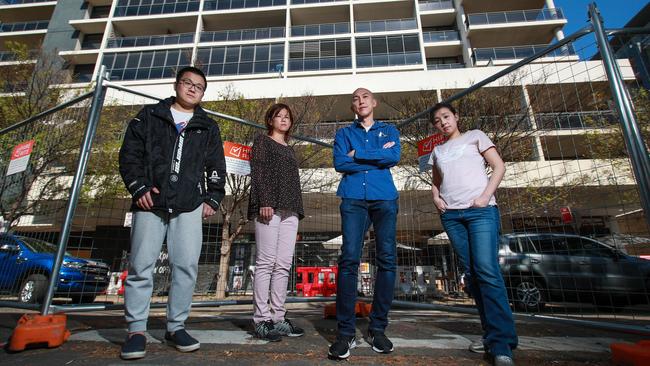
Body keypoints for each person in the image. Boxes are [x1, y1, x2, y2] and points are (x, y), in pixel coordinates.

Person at [118, 66, 226, 360]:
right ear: (177, 85)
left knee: (186, 267)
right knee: (141, 266)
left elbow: (216, 165)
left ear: (203, 93)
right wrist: (138, 188)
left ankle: (175, 326)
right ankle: (136, 330)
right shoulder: (149, 116)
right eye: (188, 83)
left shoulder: (208, 126)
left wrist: (214, 198)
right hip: (150, 203)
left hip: (189, 205)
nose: (192, 89)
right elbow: (129, 155)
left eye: (199, 86)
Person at [428, 102, 517, 366]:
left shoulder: (475, 136)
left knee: (487, 271)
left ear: (456, 117)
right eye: (437, 120)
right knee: (474, 276)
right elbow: (435, 181)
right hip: (452, 216)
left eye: (446, 116)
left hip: (480, 211)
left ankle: (502, 344)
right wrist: (436, 198)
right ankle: (491, 335)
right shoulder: (438, 150)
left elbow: (498, 167)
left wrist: (485, 196)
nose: (442, 122)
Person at [328, 88, 400, 360]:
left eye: (365, 97)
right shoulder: (343, 134)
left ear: (374, 103)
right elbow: (339, 162)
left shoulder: (390, 131)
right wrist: (375, 155)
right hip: (353, 198)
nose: (360, 101)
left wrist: (357, 154)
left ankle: (377, 328)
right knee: (349, 260)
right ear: (353, 107)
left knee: (387, 260)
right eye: (356, 99)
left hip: (385, 198)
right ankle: (345, 333)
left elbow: (393, 158)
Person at [248, 103, 305, 342]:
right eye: (278, 116)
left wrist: (298, 211)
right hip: (268, 207)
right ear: (270, 120)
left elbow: (292, 181)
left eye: (287, 116)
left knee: (283, 264)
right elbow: (258, 171)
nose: (283, 119)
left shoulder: (290, 149)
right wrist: (265, 200)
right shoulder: (262, 141)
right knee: (266, 263)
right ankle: (262, 319)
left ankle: (279, 318)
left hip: (291, 209)